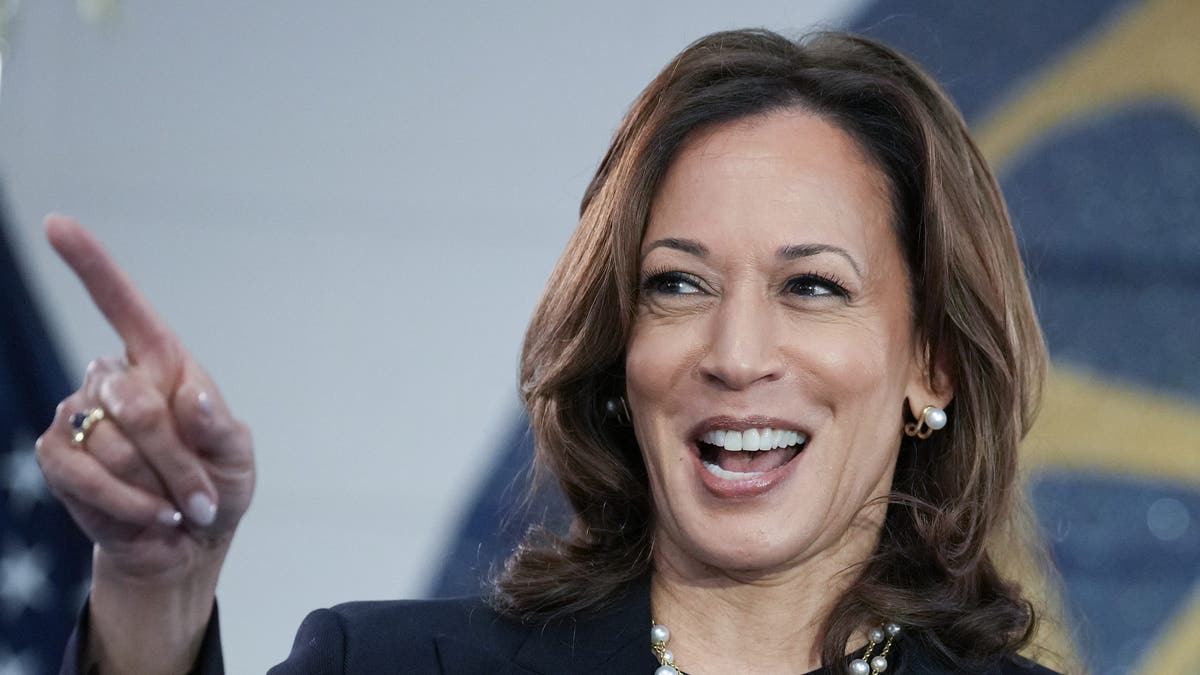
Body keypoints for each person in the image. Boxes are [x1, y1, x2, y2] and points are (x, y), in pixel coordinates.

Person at [39, 29, 1064, 674]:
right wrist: (152, 590)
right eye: (678, 284)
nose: (736, 351)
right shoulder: (389, 667)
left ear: (930, 362)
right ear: (622, 348)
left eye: (812, 287)